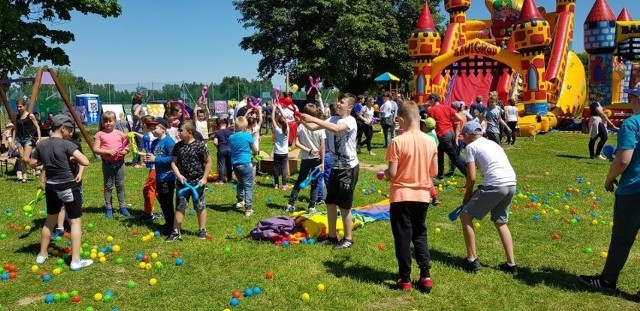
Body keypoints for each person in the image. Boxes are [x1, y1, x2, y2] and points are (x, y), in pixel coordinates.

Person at [578, 83, 640, 296]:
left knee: (622, 238)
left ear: (637, 100)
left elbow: (623, 160)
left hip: (634, 190)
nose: (630, 100)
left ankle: (607, 281)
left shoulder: (632, 124)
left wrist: (609, 178)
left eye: (632, 97)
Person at [383, 101, 438, 292]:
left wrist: (386, 174)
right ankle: (425, 276)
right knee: (420, 234)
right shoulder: (431, 141)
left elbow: (393, 172)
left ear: (401, 120)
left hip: (401, 196)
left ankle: (405, 278)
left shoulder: (397, 141)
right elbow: (435, 171)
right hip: (422, 196)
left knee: (403, 237)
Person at [31, 114, 92, 270]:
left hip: (51, 186)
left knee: (50, 220)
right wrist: (71, 159)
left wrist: (45, 161)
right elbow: (85, 161)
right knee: (75, 221)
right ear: (63, 128)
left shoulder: (42, 145)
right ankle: (76, 261)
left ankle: (42, 254)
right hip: (67, 186)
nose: (71, 133)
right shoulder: (67, 145)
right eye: (70, 130)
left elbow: (32, 163)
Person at [300, 93, 359, 250]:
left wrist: (313, 118)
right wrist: (299, 117)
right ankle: (332, 236)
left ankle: (348, 239)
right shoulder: (332, 118)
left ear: (350, 107)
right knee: (331, 202)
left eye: (342, 102)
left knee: (344, 206)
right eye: (338, 101)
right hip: (334, 167)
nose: (338, 104)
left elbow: (336, 129)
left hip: (348, 169)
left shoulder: (350, 120)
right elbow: (312, 127)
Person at [458, 121, 518, 273]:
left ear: (468, 136)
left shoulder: (471, 147)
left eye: (463, 136)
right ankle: (511, 265)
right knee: (500, 222)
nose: (462, 139)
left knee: (465, 216)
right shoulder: (492, 143)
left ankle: (471, 260)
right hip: (511, 183)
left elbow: (471, 177)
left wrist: (468, 194)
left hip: (495, 184)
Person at [166, 121, 212, 241]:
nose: (178, 132)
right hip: (183, 183)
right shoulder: (178, 146)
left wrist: (204, 178)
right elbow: (173, 163)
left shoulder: (199, 145)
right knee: (180, 206)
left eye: (181, 130)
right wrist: (179, 176)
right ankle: (176, 231)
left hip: (198, 182)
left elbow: (208, 162)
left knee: (200, 206)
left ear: (189, 132)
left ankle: (202, 229)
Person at [287, 104, 326, 214]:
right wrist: (322, 161)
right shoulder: (320, 128)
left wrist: (308, 151)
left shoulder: (301, 127)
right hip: (317, 158)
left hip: (305, 158)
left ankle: (291, 204)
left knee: (300, 180)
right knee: (315, 182)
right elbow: (323, 146)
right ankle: (312, 206)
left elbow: (296, 143)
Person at [93, 111, 131, 218]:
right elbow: (95, 149)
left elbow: (127, 147)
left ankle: (122, 206)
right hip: (107, 164)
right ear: (102, 122)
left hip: (120, 164)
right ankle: (109, 207)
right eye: (105, 121)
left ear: (115, 121)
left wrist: (125, 151)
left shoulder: (120, 133)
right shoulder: (100, 134)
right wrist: (107, 152)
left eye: (110, 121)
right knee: (108, 186)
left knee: (120, 185)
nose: (108, 123)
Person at [146, 118, 176, 235]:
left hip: (168, 177)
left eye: (155, 128)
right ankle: (168, 222)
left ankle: (171, 226)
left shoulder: (169, 142)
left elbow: (172, 159)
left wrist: (156, 159)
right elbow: (153, 158)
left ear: (163, 129)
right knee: (163, 201)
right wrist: (149, 159)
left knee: (167, 202)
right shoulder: (154, 143)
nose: (152, 131)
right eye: (151, 129)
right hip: (159, 177)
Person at [426, 93, 467, 179]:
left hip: (443, 134)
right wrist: (449, 120)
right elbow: (460, 118)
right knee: (440, 153)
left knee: (453, 156)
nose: (429, 102)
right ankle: (440, 174)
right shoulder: (447, 107)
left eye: (429, 101)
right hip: (451, 132)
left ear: (433, 100)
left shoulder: (431, 110)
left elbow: (431, 124)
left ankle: (467, 174)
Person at [230, 116, 260, 216]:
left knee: (239, 183)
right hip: (246, 163)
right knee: (248, 186)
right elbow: (255, 150)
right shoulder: (247, 136)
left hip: (235, 164)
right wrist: (256, 153)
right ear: (245, 127)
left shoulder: (231, 137)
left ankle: (239, 201)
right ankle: (248, 208)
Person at [12, 99, 41, 182]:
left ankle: (36, 168)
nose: (18, 108)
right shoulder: (17, 116)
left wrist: (39, 138)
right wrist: (13, 141)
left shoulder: (30, 116)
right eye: (17, 107)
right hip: (19, 139)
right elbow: (15, 129)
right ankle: (24, 177)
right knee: (21, 158)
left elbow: (37, 126)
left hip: (28, 139)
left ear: (25, 106)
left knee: (25, 158)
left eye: (20, 106)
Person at [588, 92, 618, 159]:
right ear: (596, 96)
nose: (601, 97)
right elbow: (602, 114)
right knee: (600, 137)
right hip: (596, 121)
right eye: (600, 96)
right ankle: (595, 155)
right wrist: (612, 124)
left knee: (596, 138)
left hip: (598, 121)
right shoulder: (594, 104)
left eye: (602, 96)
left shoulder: (598, 104)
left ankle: (594, 155)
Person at [271, 109, 289, 190]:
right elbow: (284, 117)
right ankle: (284, 185)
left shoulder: (278, 130)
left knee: (276, 168)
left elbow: (272, 119)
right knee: (284, 168)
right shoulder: (287, 129)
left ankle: (276, 184)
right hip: (284, 152)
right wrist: (281, 109)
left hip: (277, 152)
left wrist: (274, 108)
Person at [213, 115, 233, 183]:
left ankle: (220, 180)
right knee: (229, 164)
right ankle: (230, 179)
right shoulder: (230, 132)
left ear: (219, 125)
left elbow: (215, 142)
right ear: (226, 124)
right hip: (229, 149)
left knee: (221, 165)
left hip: (221, 149)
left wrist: (218, 147)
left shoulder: (217, 132)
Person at [131, 93, 144, 168]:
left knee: (137, 145)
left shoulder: (133, 106)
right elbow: (136, 114)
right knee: (140, 146)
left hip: (134, 128)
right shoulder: (138, 106)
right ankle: (135, 162)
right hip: (139, 129)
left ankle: (139, 161)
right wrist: (141, 120)